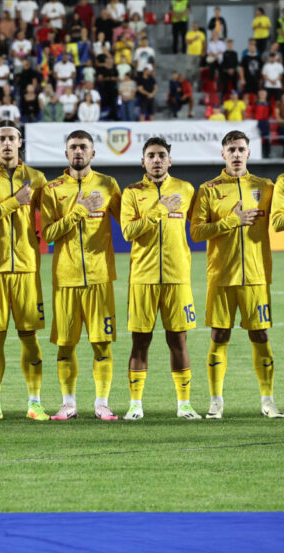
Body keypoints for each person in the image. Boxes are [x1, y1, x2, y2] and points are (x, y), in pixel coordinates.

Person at [192, 130, 282, 419]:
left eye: (241, 149)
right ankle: (216, 402)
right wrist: (232, 220)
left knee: (260, 334)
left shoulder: (265, 187)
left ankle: (268, 401)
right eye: (231, 149)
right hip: (221, 275)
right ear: (223, 154)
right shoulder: (208, 189)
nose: (236, 154)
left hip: (256, 275)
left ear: (248, 152)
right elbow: (196, 232)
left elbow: (278, 220)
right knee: (219, 335)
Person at [0, 120, 49, 422]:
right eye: (1, 138)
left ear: (20, 143)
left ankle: (35, 402)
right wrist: (15, 202)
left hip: (27, 268)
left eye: (11, 138)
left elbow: (52, 216)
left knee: (29, 336)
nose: (6, 143)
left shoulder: (37, 178)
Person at [40, 130, 122, 421]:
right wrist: (77, 211)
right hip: (66, 279)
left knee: (102, 344)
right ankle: (68, 404)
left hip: (100, 278)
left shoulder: (107, 184)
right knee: (65, 345)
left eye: (83, 147)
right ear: (66, 154)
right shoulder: (52, 189)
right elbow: (48, 234)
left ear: (92, 153)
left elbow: (128, 223)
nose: (78, 151)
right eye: (73, 147)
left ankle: (102, 403)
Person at [120, 137, 200, 420]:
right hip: (142, 278)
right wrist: (158, 210)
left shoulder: (186, 189)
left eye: (161, 155)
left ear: (169, 160)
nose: (156, 160)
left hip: (178, 276)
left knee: (178, 341)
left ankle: (184, 404)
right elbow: (128, 232)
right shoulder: (131, 193)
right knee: (140, 341)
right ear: (143, 161)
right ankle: (135, 405)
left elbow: (200, 226)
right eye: (151, 155)